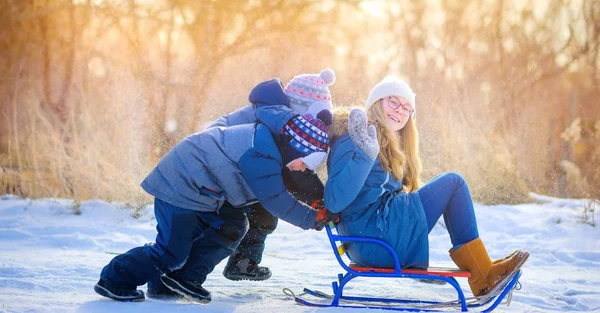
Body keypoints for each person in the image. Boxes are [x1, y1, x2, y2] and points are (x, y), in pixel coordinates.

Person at [95, 105, 339, 303]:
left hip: (206, 189)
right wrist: (311, 219)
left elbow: (294, 178)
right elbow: (274, 197)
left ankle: (180, 279)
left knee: (232, 226)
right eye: (305, 161)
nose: (304, 168)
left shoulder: (276, 147)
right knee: (171, 251)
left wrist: (318, 200)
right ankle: (114, 280)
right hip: (182, 183)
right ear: (295, 148)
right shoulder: (260, 151)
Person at [323, 76, 529, 297]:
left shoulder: (385, 142)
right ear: (376, 102)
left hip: (374, 236)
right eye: (393, 102)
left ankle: (484, 271)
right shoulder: (356, 138)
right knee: (453, 183)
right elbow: (337, 198)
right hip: (372, 238)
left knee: (450, 187)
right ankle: (484, 275)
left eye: (406, 108)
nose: (400, 111)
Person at [208, 69, 335, 283]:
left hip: (240, 170)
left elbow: (295, 170)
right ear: (300, 107)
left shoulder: (279, 118)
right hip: (216, 171)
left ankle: (242, 262)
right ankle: (186, 270)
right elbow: (289, 174)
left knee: (263, 213)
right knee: (229, 223)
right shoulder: (271, 119)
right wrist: (316, 206)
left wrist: (317, 198)